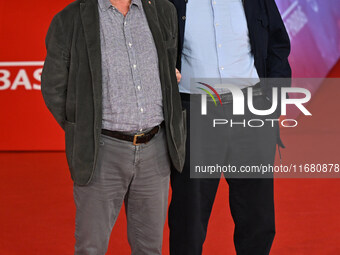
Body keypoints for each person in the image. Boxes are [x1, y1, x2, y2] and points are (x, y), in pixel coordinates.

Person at [41, 0, 185, 254]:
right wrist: (84, 129)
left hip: (155, 150)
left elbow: (169, 67)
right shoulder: (69, 19)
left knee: (150, 248)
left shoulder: (163, 10)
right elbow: (54, 87)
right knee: (91, 248)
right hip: (102, 152)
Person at [168, 0, 291, 254]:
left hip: (250, 110)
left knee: (257, 216)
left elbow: (278, 43)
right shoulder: (171, 2)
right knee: (188, 217)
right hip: (194, 112)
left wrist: (273, 102)